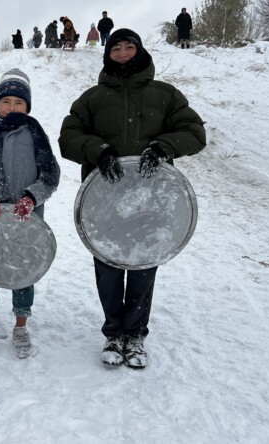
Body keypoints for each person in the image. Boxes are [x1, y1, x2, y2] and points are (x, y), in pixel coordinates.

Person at [58, 29, 206, 369]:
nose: (123, 53)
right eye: (116, 48)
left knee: (142, 266)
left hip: (152, 202)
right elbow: (69, 136)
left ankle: (135, 334)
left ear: (139, 51)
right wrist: (97, 151)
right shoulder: (92, 99)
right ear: (107, 54)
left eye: (129, 47)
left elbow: (195, 133)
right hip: (104, 201)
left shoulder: (165, 95)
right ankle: (113, 332)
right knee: (108, 267)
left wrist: (163, 146)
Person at [0, 68, 60, 359]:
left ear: (28, 107)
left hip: (25, 221)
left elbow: (50, 175)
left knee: (24, 273)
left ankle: (21, 324)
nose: (12, 107)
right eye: (6, 101)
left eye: (19, 103)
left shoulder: (36, 136)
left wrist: (31, 198)